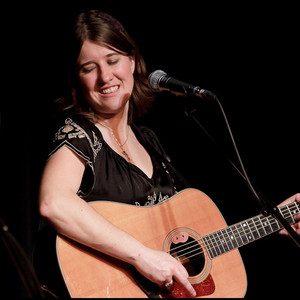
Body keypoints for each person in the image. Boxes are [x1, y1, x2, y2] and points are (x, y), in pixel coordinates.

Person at [33, 9, 300, 298]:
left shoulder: (148, 140)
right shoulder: (77, 133)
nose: (105, 76)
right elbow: (54, 202)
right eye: (88, 68)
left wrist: (274, 222)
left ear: (132, 60)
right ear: (77, 78)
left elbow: (185, 244)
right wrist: (141, 257)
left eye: (113, 60)